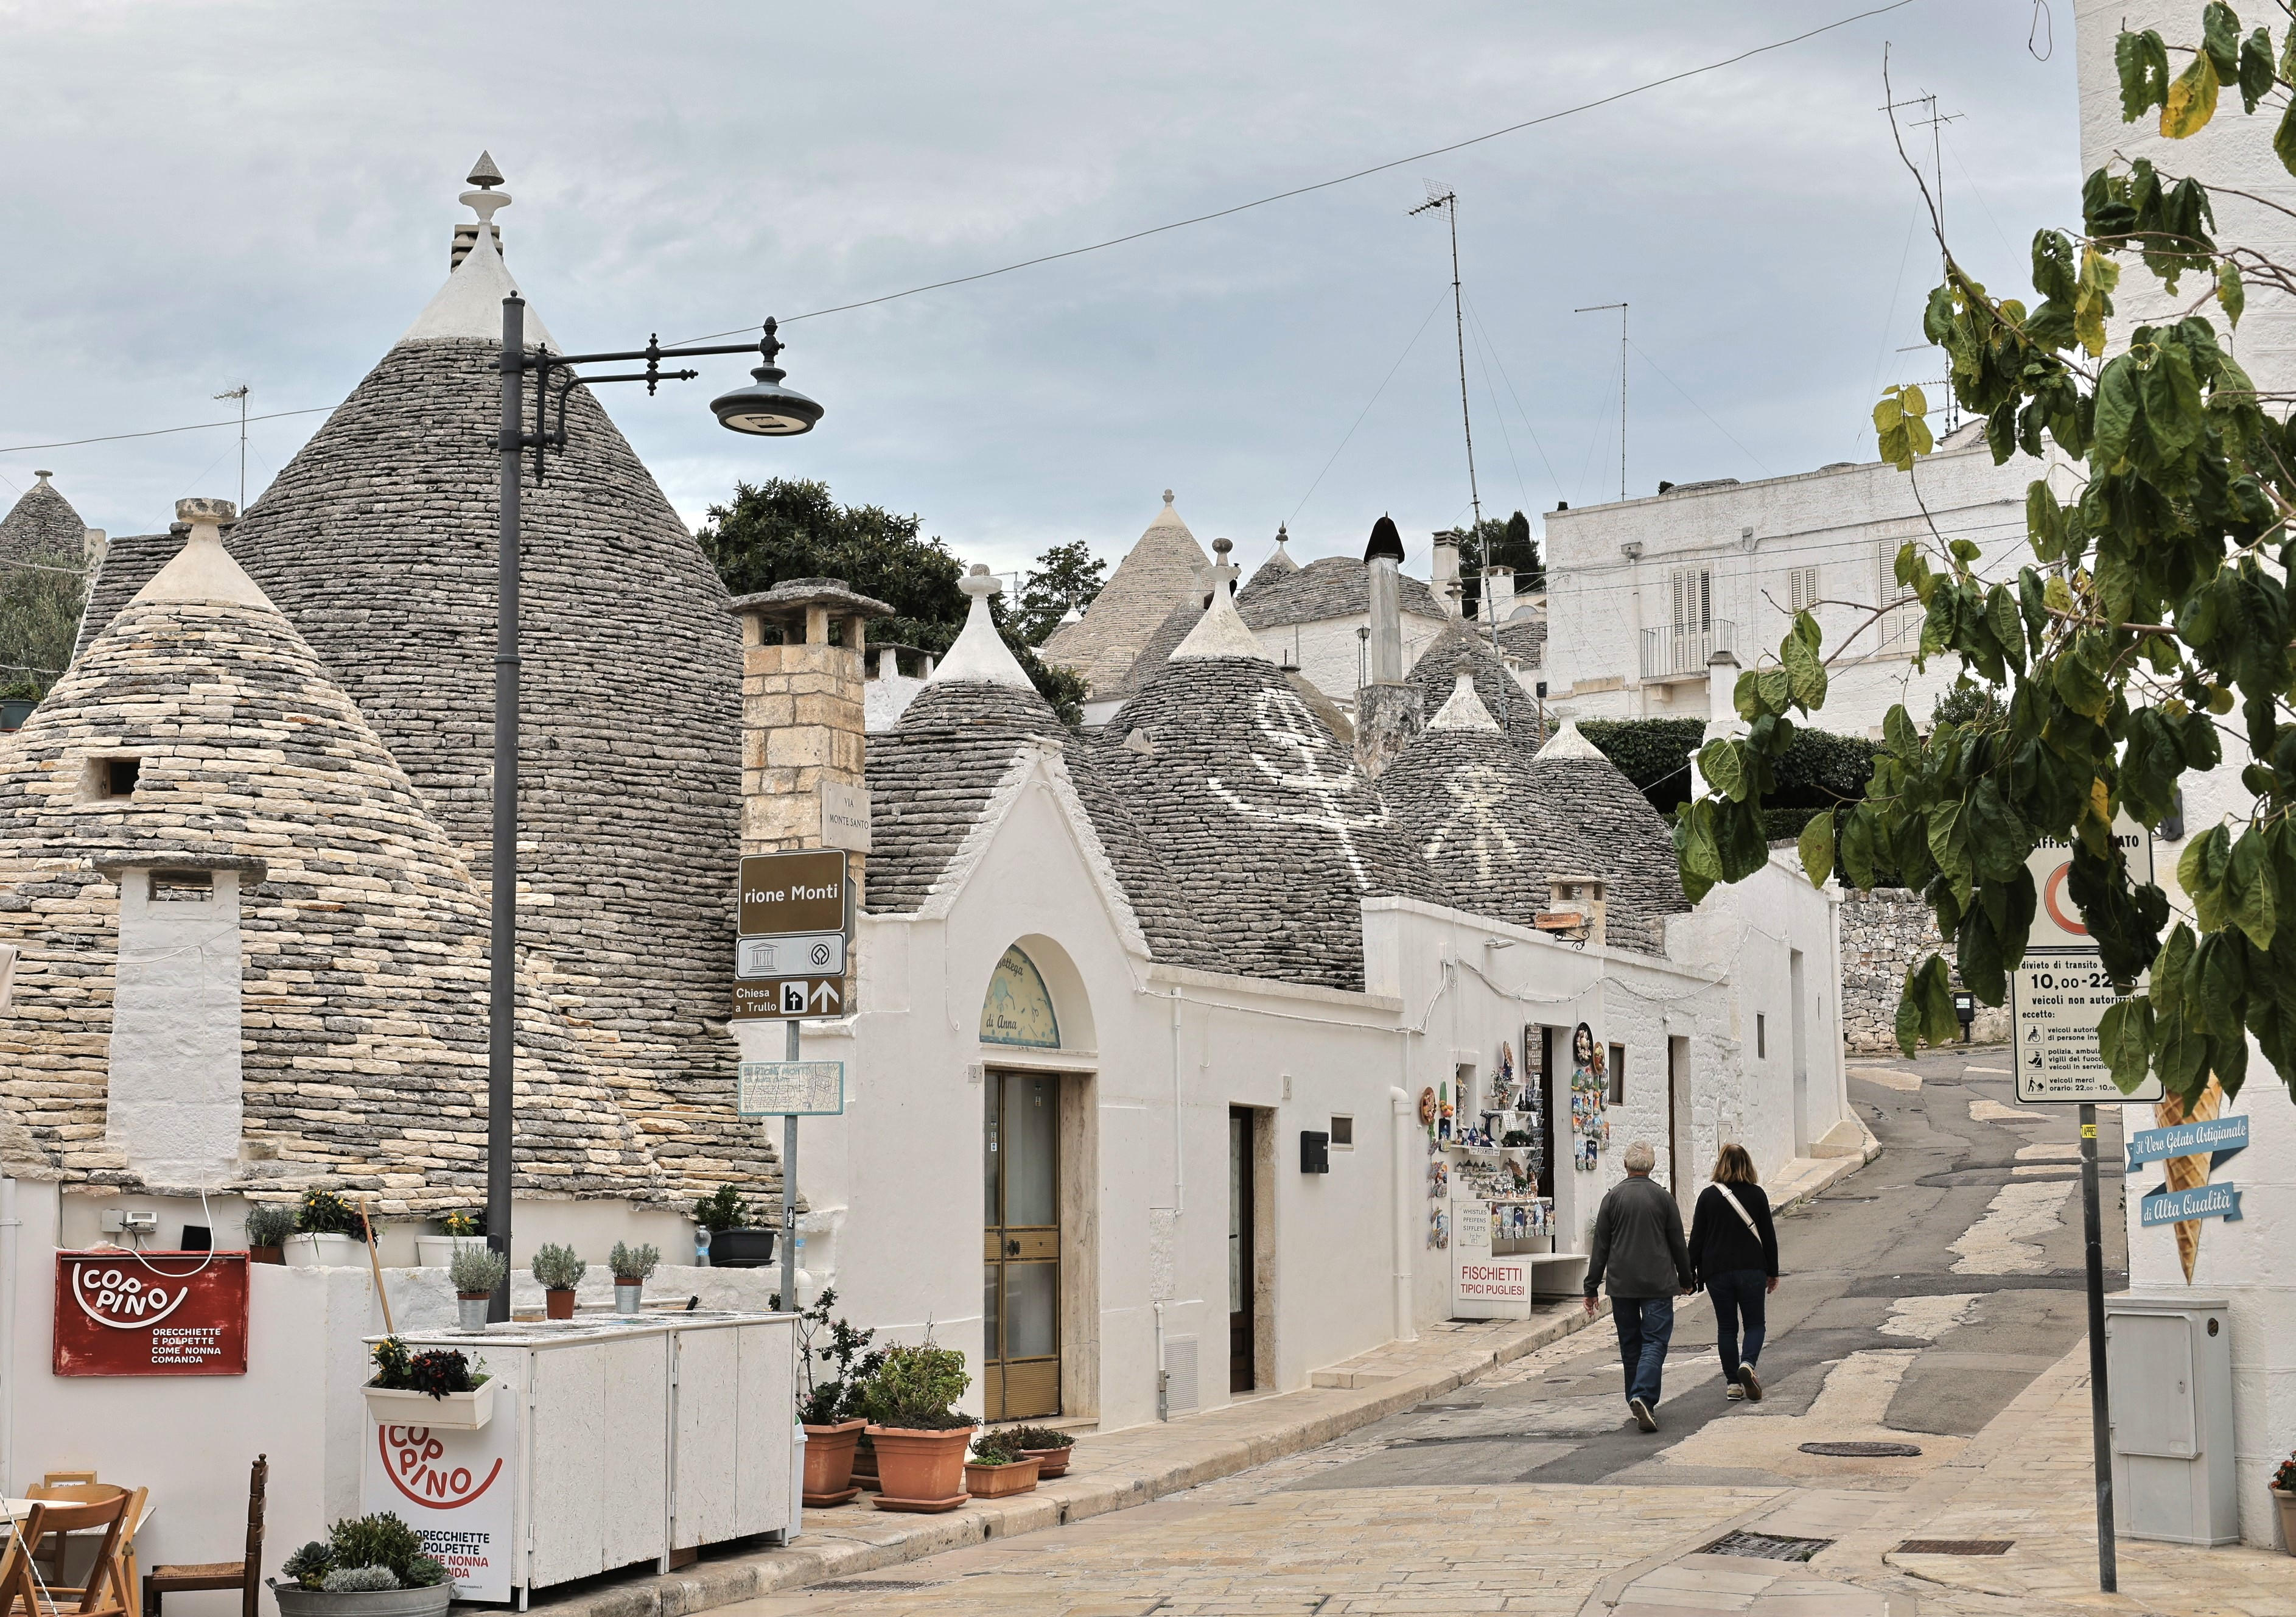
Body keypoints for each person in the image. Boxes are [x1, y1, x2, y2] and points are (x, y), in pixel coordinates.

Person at [1582, 1140, 1693, 1432]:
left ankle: (1637, 1399)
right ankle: (1643, 1396)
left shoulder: (1613, 1198)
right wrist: (1687, 1279)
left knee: (1630, 1345)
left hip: (1623, 1285)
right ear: (1652, 1166)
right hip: (1657, 1284)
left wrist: (1591, 1287)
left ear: (1625, 1165)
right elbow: (1678, 1243)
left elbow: (1601, 1247)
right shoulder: (1663, 1199)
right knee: (1655, 1341)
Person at [1687, 1142, 1780, 1403]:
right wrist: (1772, 1272)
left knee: (1727, 1328)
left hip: (1717, 1273)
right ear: (1748, 1165)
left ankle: (1733, 1384)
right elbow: (1769, 1238)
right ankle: (1748, 1364)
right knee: (1755, 1324)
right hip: (1751, 1270)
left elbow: (1697, 1239)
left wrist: (1688, 1274)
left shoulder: (1707, 1197)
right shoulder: (1757, 1195)